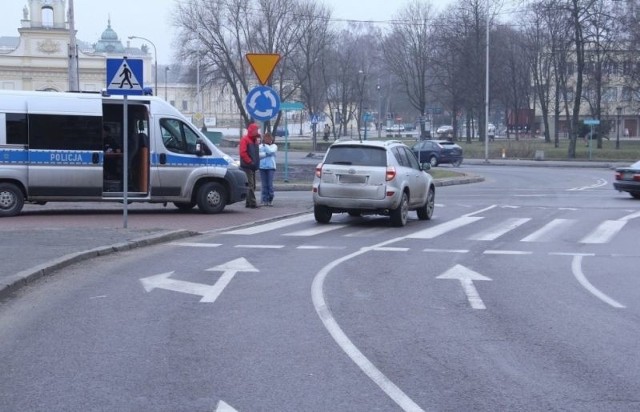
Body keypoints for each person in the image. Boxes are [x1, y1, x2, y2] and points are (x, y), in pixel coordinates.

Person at [239, 122, 261, 208]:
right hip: (247, 166)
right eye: (256, 130)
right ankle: (252, 203)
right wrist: (250, 162)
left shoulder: (254, 140)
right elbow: (243, 153)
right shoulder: (245, 140)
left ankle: (249, 203)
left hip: (252, 166)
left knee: (252, 185)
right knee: (250, 185)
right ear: (252, 130)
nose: (257, 131)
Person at [259, 132, 278, 206]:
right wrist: (267, 153)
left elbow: (271, 151)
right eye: (266, 139)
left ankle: (270, 198)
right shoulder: (260, 146)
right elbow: (259, 154)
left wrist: (265, 147)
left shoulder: (274, 146)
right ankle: (264, 200)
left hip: (271, 167)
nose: (268, 140)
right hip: (262, 167)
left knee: (269, 184)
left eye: (269, 139)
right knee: (264, 185)